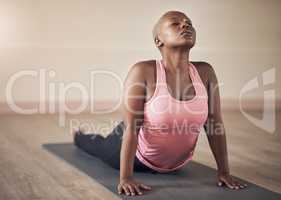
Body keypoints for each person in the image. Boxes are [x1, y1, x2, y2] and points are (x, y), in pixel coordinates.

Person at [73, 10, 248, 196]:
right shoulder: (143, 71)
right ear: (158, 40)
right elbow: (131, 128)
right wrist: (126, 178)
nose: (185, 25)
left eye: (188, 22)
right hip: (137, 152)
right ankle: (78, 135)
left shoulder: (205, 72)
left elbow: (215, 123)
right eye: (175, 23)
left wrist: (224, 172)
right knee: (97, 146)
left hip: (176, 164)